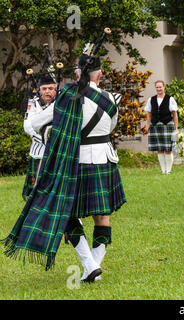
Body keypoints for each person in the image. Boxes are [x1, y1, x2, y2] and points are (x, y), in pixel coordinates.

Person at [2, 51, 126, 283]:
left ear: (78, 73)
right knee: (103, 216)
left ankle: (90, 265)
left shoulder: (67, 97)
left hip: (76, 162)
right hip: (105, 160)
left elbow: (34, 124)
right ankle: (93, 266)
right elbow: (111, 126)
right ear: (99, 75)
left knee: (67, 213)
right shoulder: (111, 99)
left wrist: (45, 131)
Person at [22, 73, 57, 200]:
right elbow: (28, 126)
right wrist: (45, 137)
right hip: (39, 153)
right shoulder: (33, 104)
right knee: (36, 189)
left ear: (56, 89)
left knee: (57, 188)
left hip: (57, 153)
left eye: (51, 88)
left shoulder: (61, 103)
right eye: (44, 88)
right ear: (40, 90)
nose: (47, 91)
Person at [144, 80, 178, 174]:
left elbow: (175, 114)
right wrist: (148, 126)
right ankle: (163, 170)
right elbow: (149, 114)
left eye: (160, 87)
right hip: (155, 126)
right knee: (159, 149)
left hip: (167, 125)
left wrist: (176, 128)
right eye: (157, 87)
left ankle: (168, 171)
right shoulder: (151, 100)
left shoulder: (170, 99)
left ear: (164, 87)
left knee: (168, 149)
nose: (159, 89)